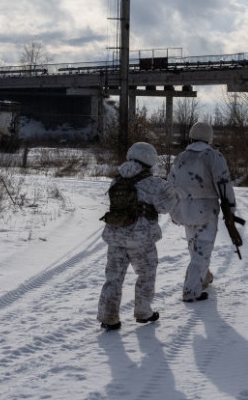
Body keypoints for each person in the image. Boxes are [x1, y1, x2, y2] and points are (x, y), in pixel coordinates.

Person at [97, 142, 178, 331]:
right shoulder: (154, 183)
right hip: (141, 239)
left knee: (113, 278)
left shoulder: (116, 180)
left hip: (115, 237)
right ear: (150, 159)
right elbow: (167, 206)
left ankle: (108, 317)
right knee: (146, 274)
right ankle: (143, 312)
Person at [168, 122, 236, 302]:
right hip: (206, 210)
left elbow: (170, 186)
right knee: (203, 249)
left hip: (184, 210)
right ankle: (191, 291)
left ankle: (203, 277)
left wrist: (173, 211)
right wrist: (230, 209)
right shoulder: (213, 156)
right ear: (209, 137)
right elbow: (223, 184)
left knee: (194, 246)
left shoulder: (180, 158)